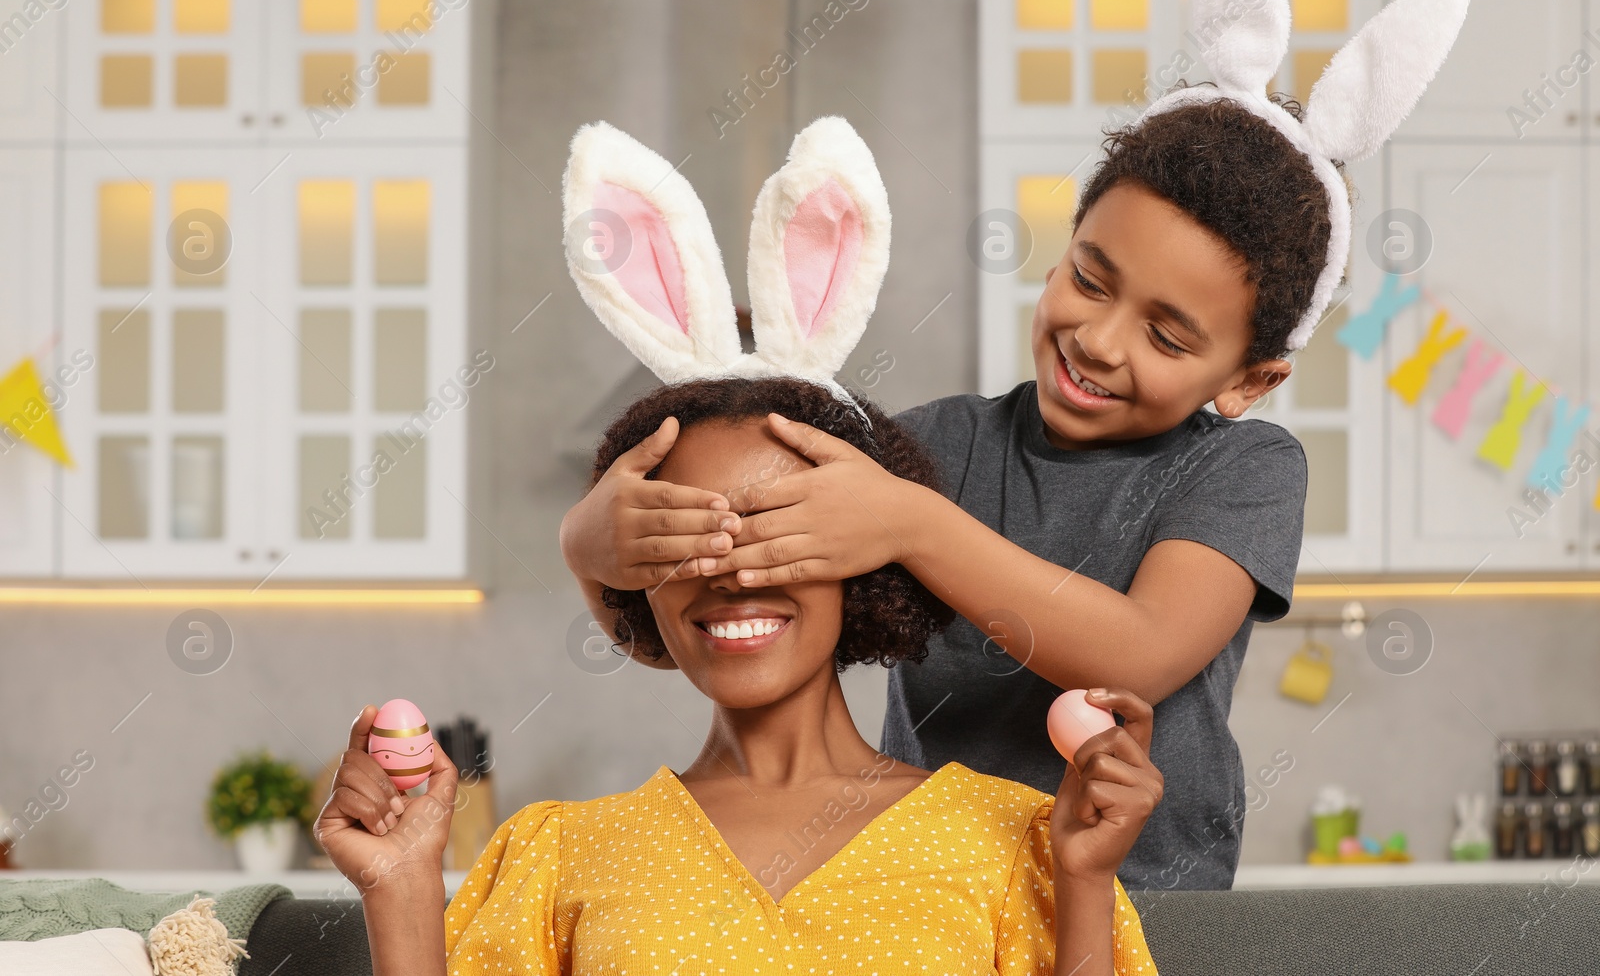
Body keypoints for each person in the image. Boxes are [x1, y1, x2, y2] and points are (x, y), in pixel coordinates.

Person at [560, 0, 1471, 890]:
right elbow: (742, 629)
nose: (1099, 337)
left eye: (1166, 335)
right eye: (1089, 276)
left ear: (1249, 379)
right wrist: (592, 546)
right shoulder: (934, 443)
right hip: (942, 910)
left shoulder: (1241, 469)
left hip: (1153, 920)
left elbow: (1142, 651)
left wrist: (909, 522)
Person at [316, 378, 1163, 976]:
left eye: (775, 534)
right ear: (640, 582)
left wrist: (1086, 880)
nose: (732, 574)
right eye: (685, 540)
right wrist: (399, 889)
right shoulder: (554, 853)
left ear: (861, 561)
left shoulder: (1021, 837)